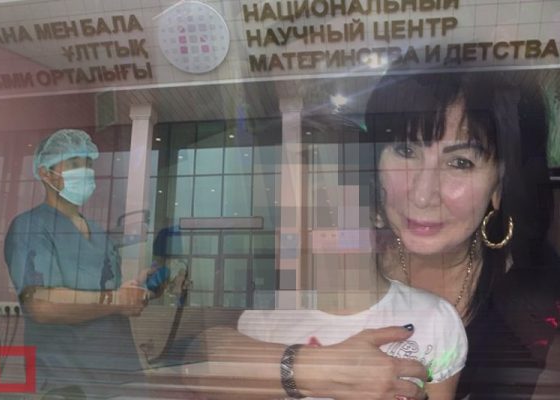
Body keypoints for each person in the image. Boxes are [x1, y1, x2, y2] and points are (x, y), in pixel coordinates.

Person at [185, 70, 559, 400]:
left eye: (460, 162)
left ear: (499, 185)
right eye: (405, 150)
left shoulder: (534, 300)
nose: (423, 193)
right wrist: (314, 369)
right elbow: (200, 350)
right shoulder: (334, 249)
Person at [4, 129, 150, 398]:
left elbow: (107, 293)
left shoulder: (98, 232)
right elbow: (42, 305)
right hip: (67, 380)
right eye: (73, 163)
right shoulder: (31, 227)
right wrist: (117, 300)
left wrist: (137, 292)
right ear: (46, 174)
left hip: (118, 373)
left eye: (88, 163)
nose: (85, 171)